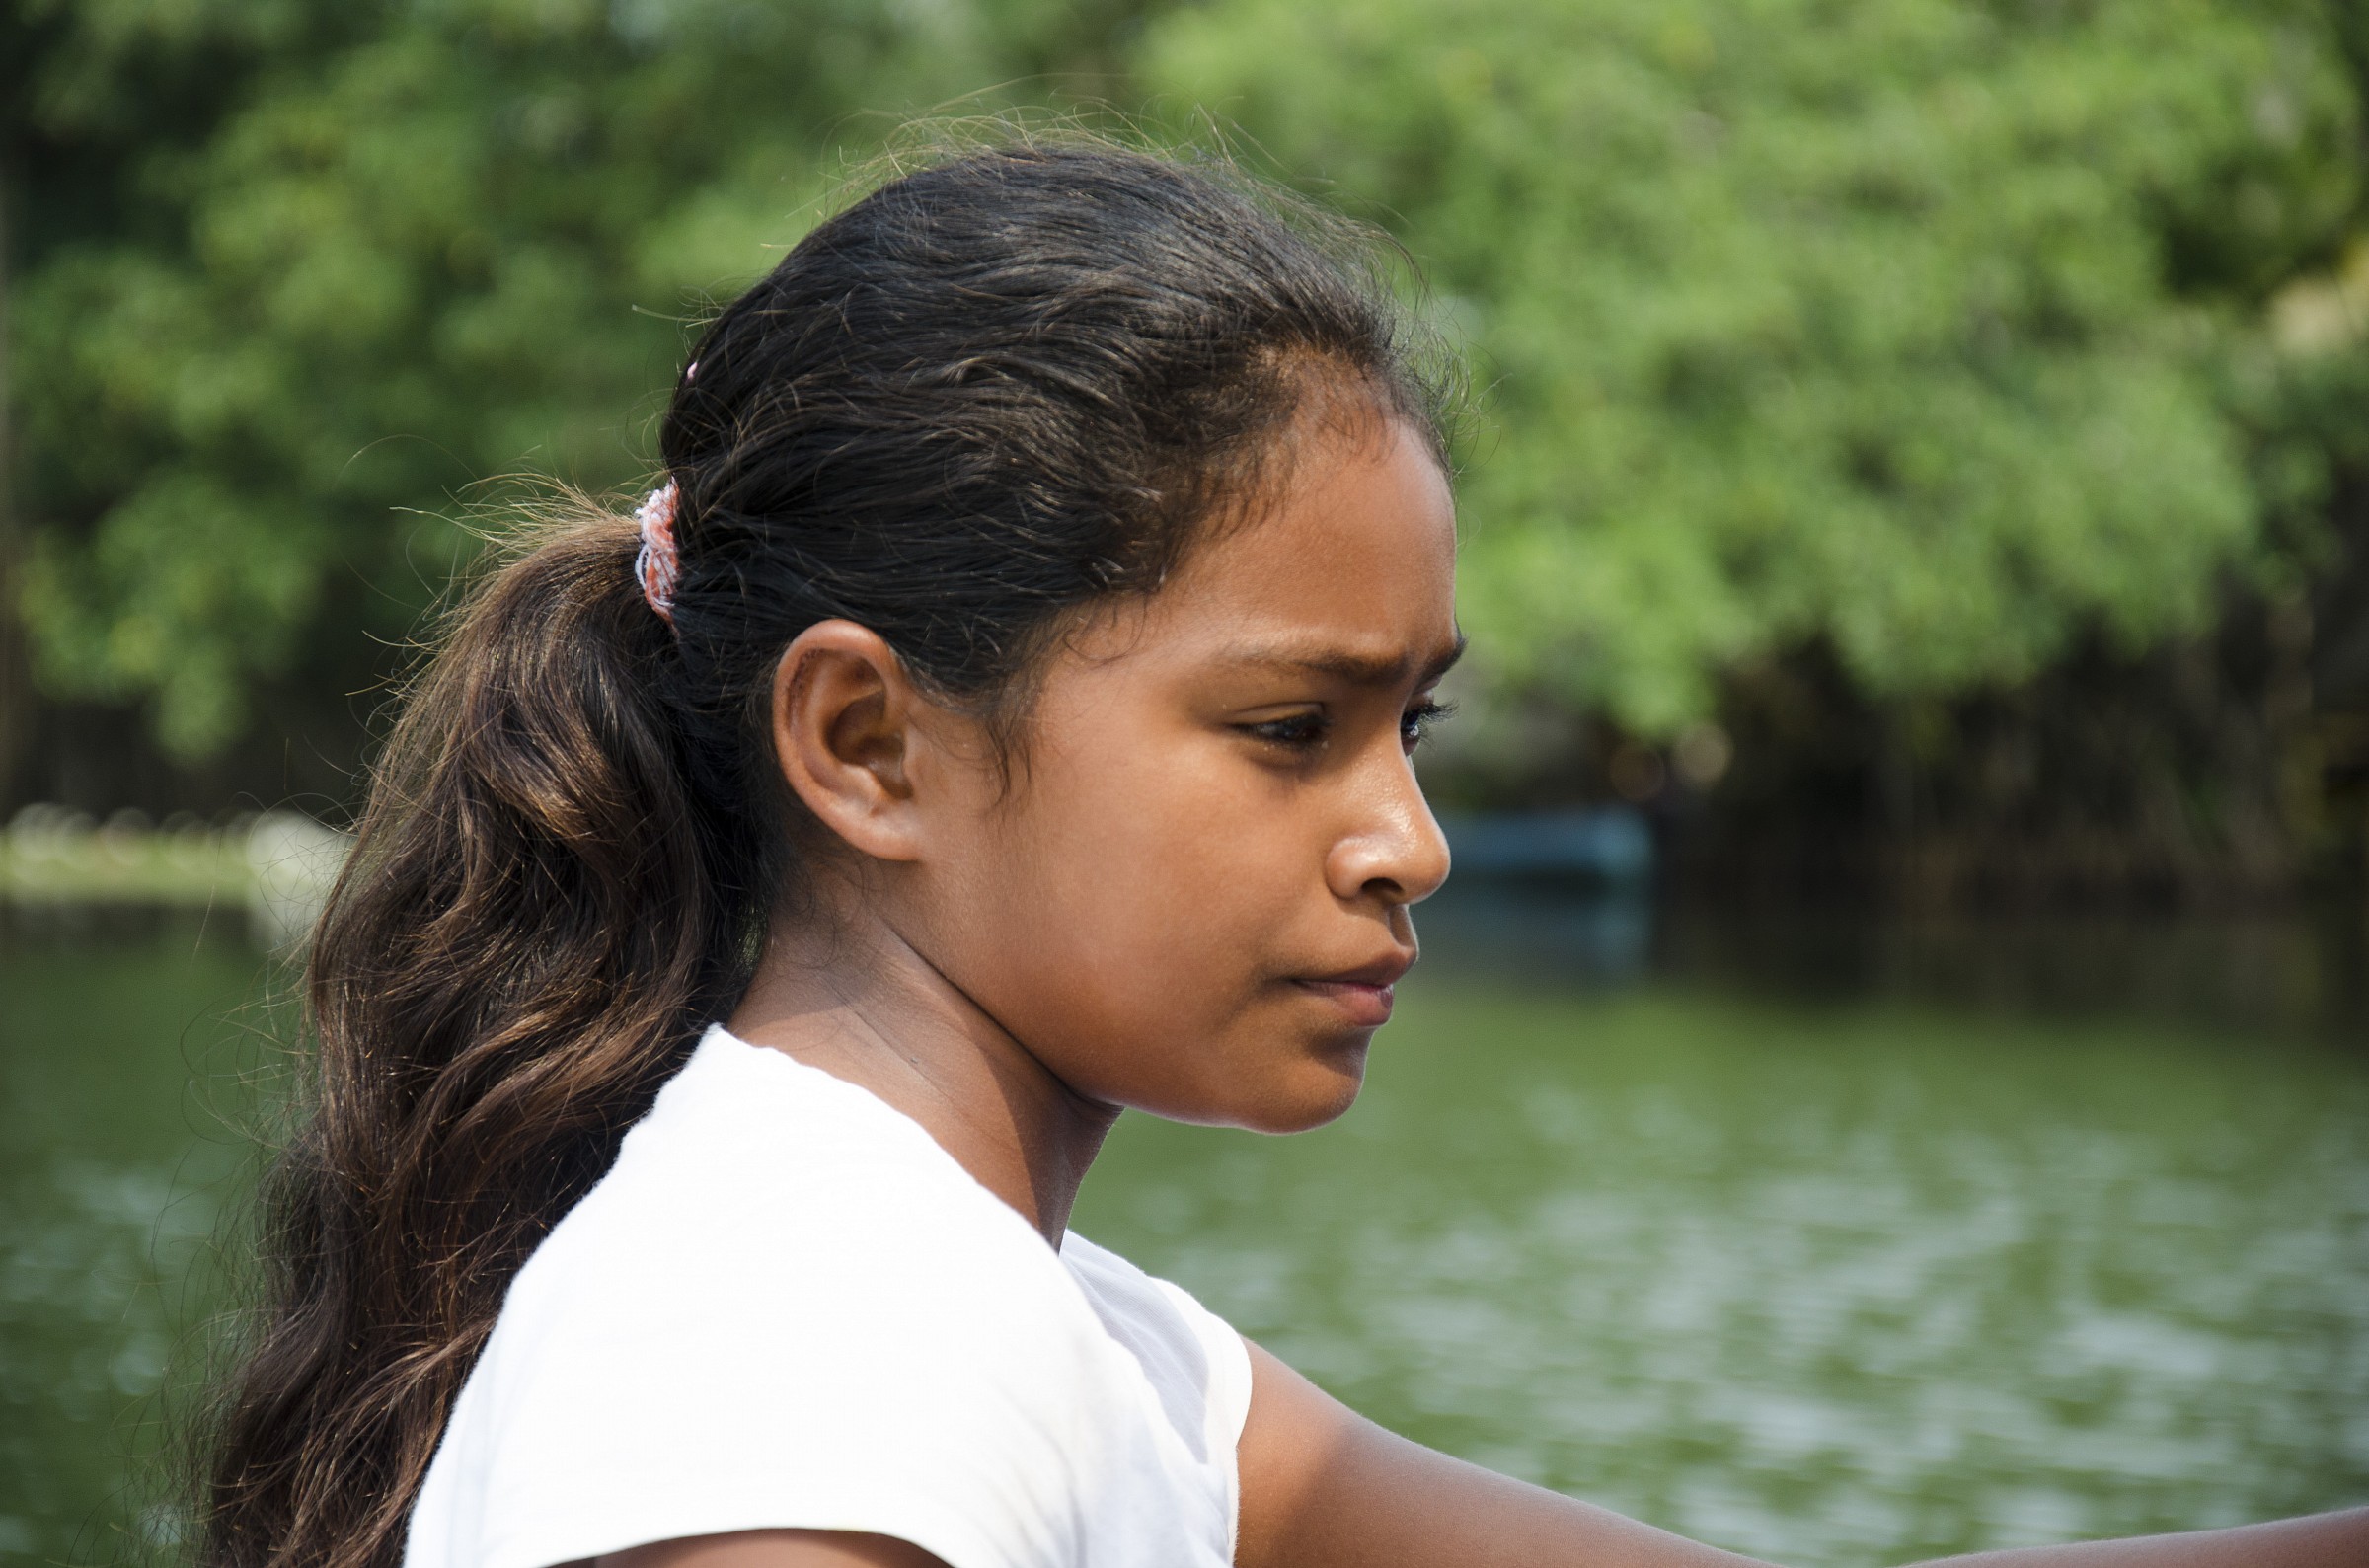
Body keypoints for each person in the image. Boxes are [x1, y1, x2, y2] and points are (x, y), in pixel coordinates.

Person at [197, 140, 2366, 1568]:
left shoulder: (1065, 1345)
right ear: (871, 746)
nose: (1406, 840)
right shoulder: (806, 1373)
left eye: (1407, 728)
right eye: (1285, 730)